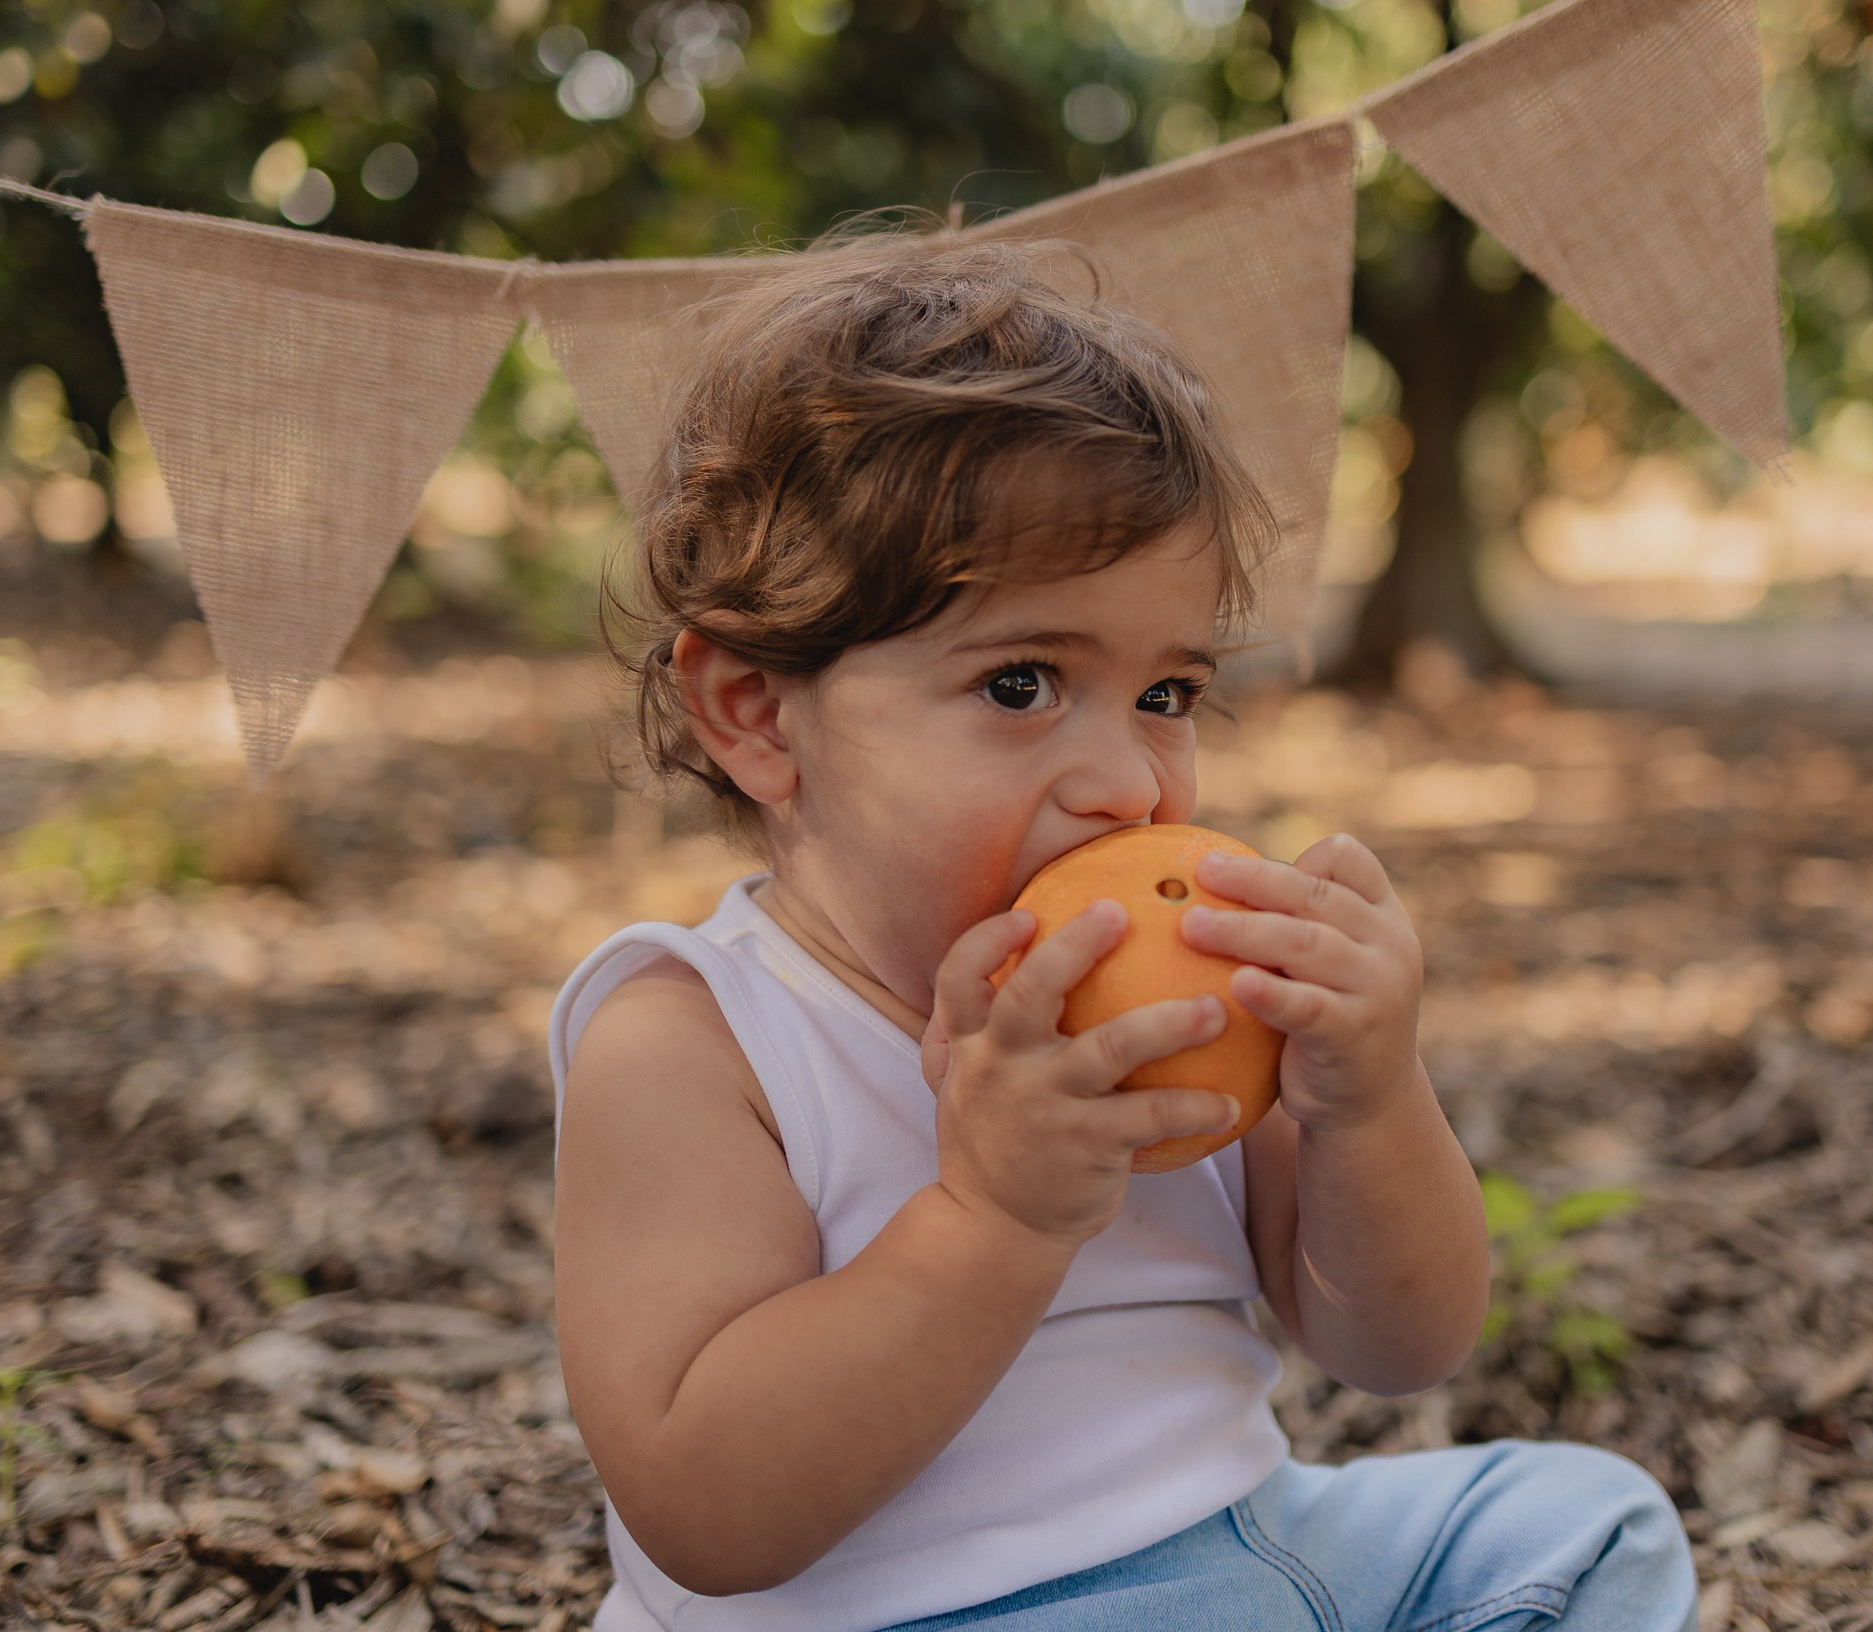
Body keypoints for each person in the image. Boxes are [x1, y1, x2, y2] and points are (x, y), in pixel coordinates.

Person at [547, 231, 1696, 1632]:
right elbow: (707, 1510)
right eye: (1022, 682)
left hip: (1253, 1555)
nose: (1130, 782)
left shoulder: (1195, 997)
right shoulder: (692, 1041)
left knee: (1581, 1528)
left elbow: (1398, 1346)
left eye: (1168, 694)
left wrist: (1370, 1099)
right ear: (757, 715)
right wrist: (994, 1220)